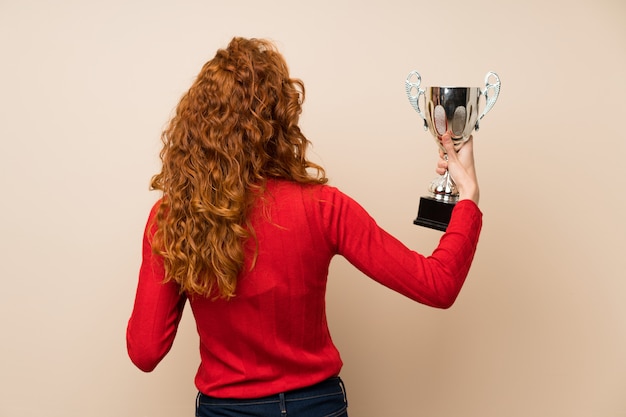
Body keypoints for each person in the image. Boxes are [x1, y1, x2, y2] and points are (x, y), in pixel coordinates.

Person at [126, 36, 482, 417]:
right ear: (279, 121)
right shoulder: (322, 207)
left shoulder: (173, 217)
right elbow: (438, 283)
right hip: (315, 406)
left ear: (197, 124)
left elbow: (145, 351)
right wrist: (467, 198)